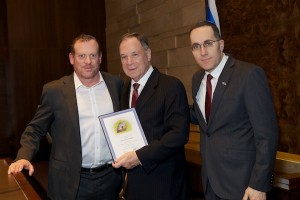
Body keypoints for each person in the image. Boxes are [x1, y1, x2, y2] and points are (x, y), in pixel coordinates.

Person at [8, 34, 123, 200]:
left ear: (100, 57)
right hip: (70, 182)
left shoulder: (115, 84)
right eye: (81, 56)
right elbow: (35, 129)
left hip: (110, 179)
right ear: (71, 58)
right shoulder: (55, 91)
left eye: (92, 55)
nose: (88, 61)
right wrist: (24, 156)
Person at [189, 21, 279, 200]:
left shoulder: (248, 75)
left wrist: (258, 184)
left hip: (243, 185)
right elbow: (205, 118)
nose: (203, 52)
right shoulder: (198, 79)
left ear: (221, 44)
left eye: (208, 43)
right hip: (210, 182)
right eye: (196, 46)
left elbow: (267, 135)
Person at [112, 32, 190, 200]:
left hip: (163, 185)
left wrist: (140, 157)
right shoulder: (125, 89)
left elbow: (178, 135)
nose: (129, 62)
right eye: (124, 57)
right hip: (133, 185)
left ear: (148, 54)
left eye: (134, 54)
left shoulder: (171, 86)